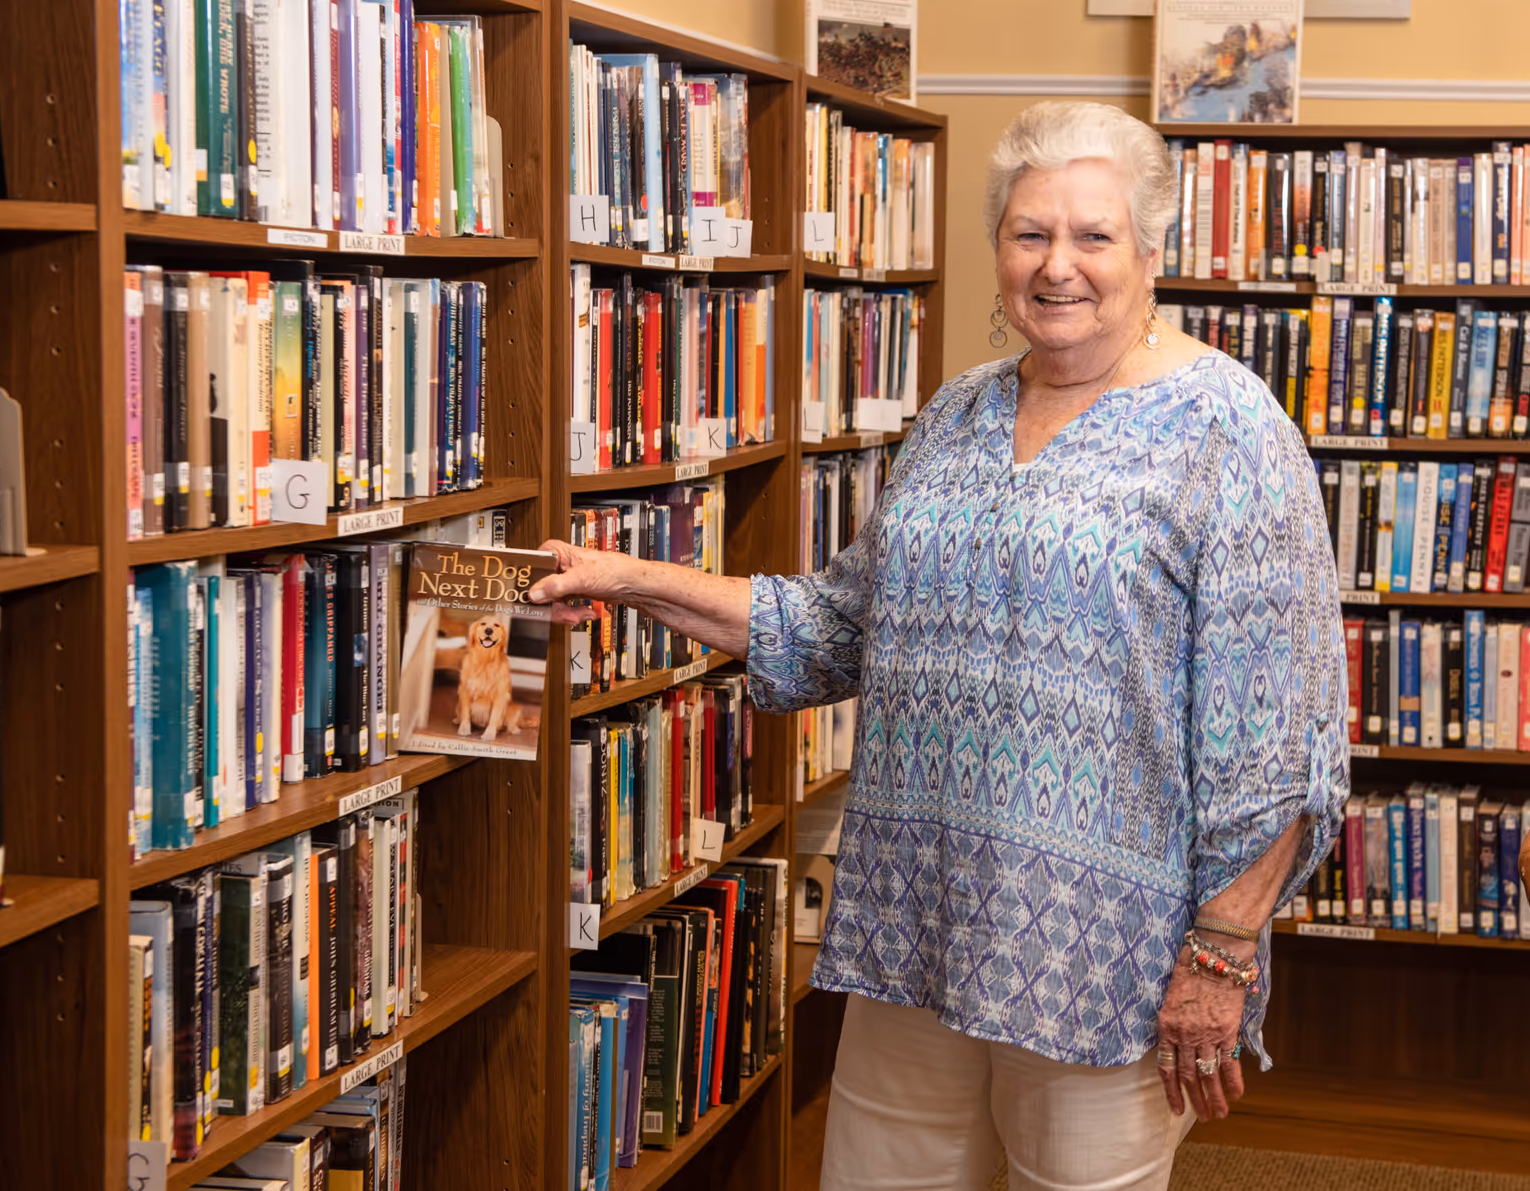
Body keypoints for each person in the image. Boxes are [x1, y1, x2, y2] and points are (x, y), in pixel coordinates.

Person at [530, 100, 1350, 1191]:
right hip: (922, 931)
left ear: (1150, 252)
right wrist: (628, 580)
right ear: (997, 250)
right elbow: (836, 627)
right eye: (1029, 234)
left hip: (1101, 954)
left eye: (1092, 236)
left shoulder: (1232, 431)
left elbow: (1286, 736)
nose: (1058, 266)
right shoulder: (956, 414)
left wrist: (1222, 952)